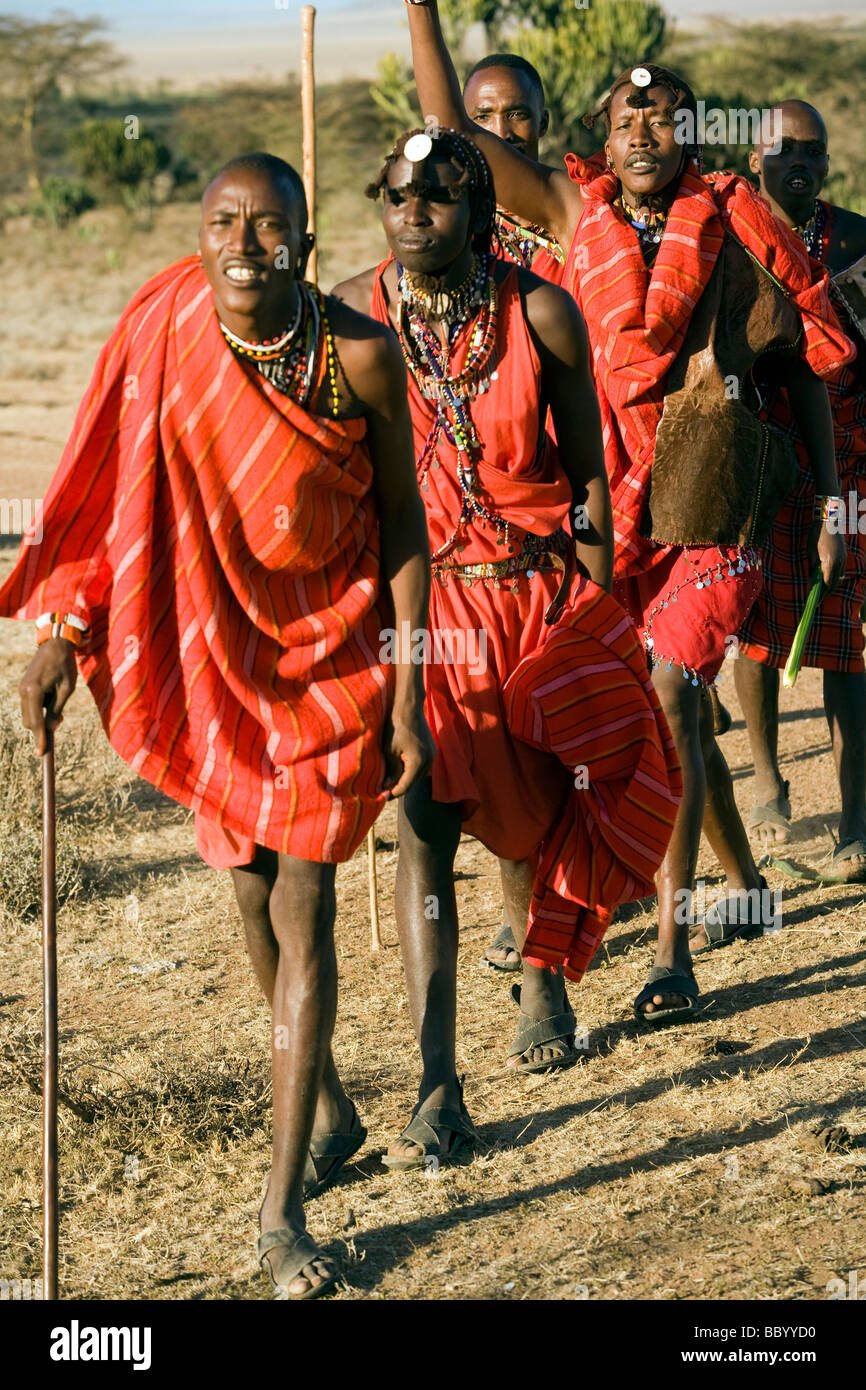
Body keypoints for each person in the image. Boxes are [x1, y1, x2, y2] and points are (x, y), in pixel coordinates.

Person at [0, 153, 435, 1300]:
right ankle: (329, 1108)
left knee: (303, 909)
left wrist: (408, 688)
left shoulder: (359, 356)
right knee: (246, 888)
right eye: (221, 221)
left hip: (335, 657)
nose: (244, 242)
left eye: (269, 224)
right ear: (197, 234)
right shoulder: (165, 329)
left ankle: (280, 1210)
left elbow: (400, 522)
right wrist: (62, 633)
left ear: (301, 237)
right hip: (222, 661)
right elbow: (103, 499)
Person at [403, 2, 854, 1019]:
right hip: (607, 523)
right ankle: (741, 883)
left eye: (666, 114)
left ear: (693, 134)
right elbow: (452, 135)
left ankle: (671, 945)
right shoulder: (574, 220)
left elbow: (806, 366)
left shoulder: (740, 226)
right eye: (626, 117)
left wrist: (828, 497)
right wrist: (422, 13)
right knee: (636, 724)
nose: (645, 130)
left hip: (713, 522)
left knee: (668, 692)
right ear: (599, 143)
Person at [334, 126, 681, 1166]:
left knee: (536, 817)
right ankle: (437, 1079)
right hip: (419, 614)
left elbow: (587, 485)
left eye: (435, 195)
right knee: (423, 825)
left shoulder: (540, 312)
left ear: (476, 209)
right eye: (394, 193)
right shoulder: (351, 314)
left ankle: (541, 979)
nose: (411, 211)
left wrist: (595, 618)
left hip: (530, 600)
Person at [735, 101, 866, 881]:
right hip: (762, 460)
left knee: (847, 627)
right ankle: (766, 777)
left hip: (848, 461)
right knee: (754, 626)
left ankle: (856, 816)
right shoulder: (733, 240)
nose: (798, 163)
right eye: (782, 149)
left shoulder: (854, 241)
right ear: (755, 160)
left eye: (812, 152)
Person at [463, 52, 564, 284]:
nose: (501, 134)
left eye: (516, 115)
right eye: (482, 117)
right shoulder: (450, 222)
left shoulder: (579, 210)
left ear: (543, 123)